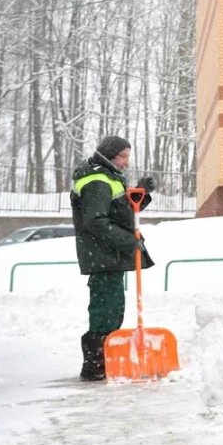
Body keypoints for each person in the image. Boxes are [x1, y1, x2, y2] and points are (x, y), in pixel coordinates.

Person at [71, 135, 156, 380]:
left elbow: (124, 214)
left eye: (128, 157)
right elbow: (96, 221)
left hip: (109, 254)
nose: (126, 162)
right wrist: (128, 241)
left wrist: (143, 193)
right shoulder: (97, 180)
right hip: (102, 255)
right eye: (123, 156)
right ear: (109, 155)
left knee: (112, 307)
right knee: (106, 309)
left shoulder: (109, 177)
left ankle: (102, 361)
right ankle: (95, 365)